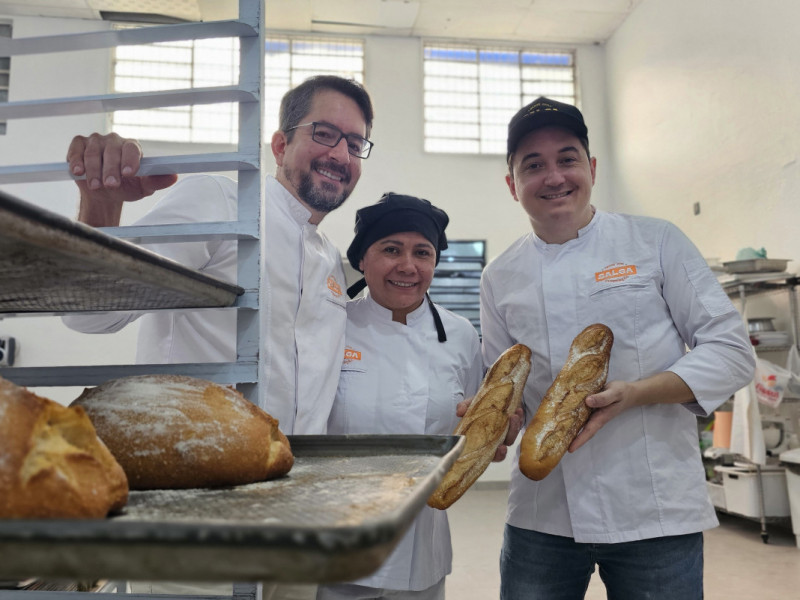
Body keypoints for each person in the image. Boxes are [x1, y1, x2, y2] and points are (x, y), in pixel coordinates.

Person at [62, 74, 375, 600]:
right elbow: (93, 314)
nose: (340, 153)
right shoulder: (219, 202)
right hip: (194, 518)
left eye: (355, 142)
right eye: (324, 133)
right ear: (280, 144)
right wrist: (101, 206)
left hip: (296, 521)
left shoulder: (328, 259)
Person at [480, 97, 755, 600]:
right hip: (544, 514)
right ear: (512, 184)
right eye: (533, 165)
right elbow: (505, 388)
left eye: (567, 159)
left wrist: (637, 393)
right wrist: (499, 424)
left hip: (653, 507)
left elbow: (732, 351)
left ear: (592, 167)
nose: (554, 177)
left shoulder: (655, 241)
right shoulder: (499, 275)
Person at [317, 193, 484, 600]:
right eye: (391, 249)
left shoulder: (461, 335)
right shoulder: (330, 326)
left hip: (421, 547)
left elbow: (473, 427)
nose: (407, 266)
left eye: (422, 252)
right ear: (362, 259)